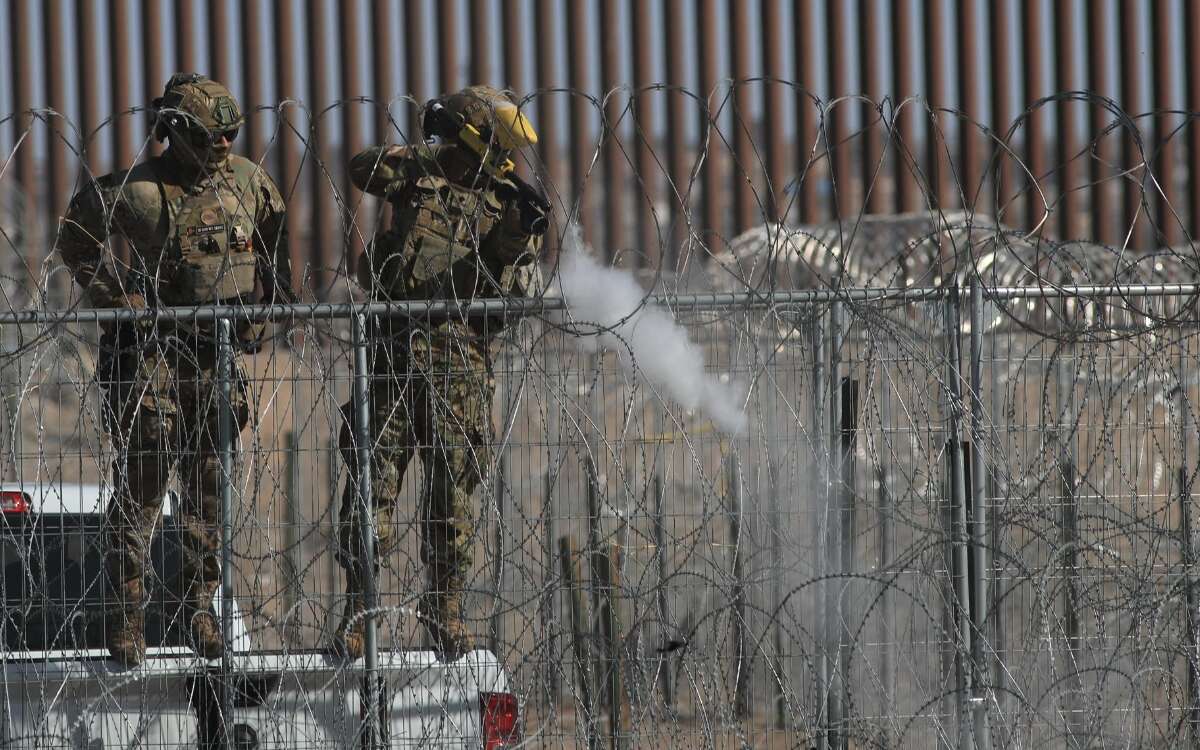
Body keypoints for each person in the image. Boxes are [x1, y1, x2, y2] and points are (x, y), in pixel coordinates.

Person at [58, 73, 292, 666]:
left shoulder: (247, 183)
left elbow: (276, 236)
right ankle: (129, 613)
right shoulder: (139, 193)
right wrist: (118, 299)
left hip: (216, 356)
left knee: (209, 491)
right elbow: (77, 235)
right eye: (213, 136)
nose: (224, 147)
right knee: (143, 483)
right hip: (155, 357)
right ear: (179, 133)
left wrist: (268, 309)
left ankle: (198, 609)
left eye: (231, 136)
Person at [334, 85, 548, 659]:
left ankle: (444, 609)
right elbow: (361, 169)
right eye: (493, 147)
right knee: (369, 498)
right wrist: (432, 153)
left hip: (461, 369)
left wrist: (513, 238)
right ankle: (358, 613)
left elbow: (513, 292)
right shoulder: (415, 176)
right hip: (393, 362)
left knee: (453, 504)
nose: (504, 161)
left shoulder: (509, 204)